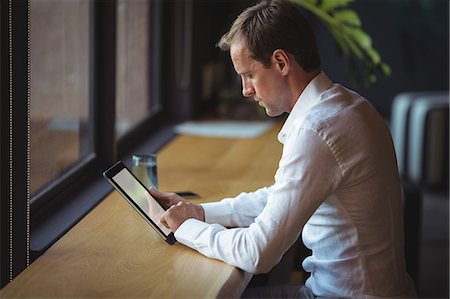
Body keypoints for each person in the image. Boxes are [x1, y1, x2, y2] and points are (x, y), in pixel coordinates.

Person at [149, 0, 417, 297]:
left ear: (280, 62)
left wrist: (184, 229)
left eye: (249, 75)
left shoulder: (317, 131)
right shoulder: (349, 106)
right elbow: (281, 197)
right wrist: (200, 212)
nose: (245, 90)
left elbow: (257, 253)